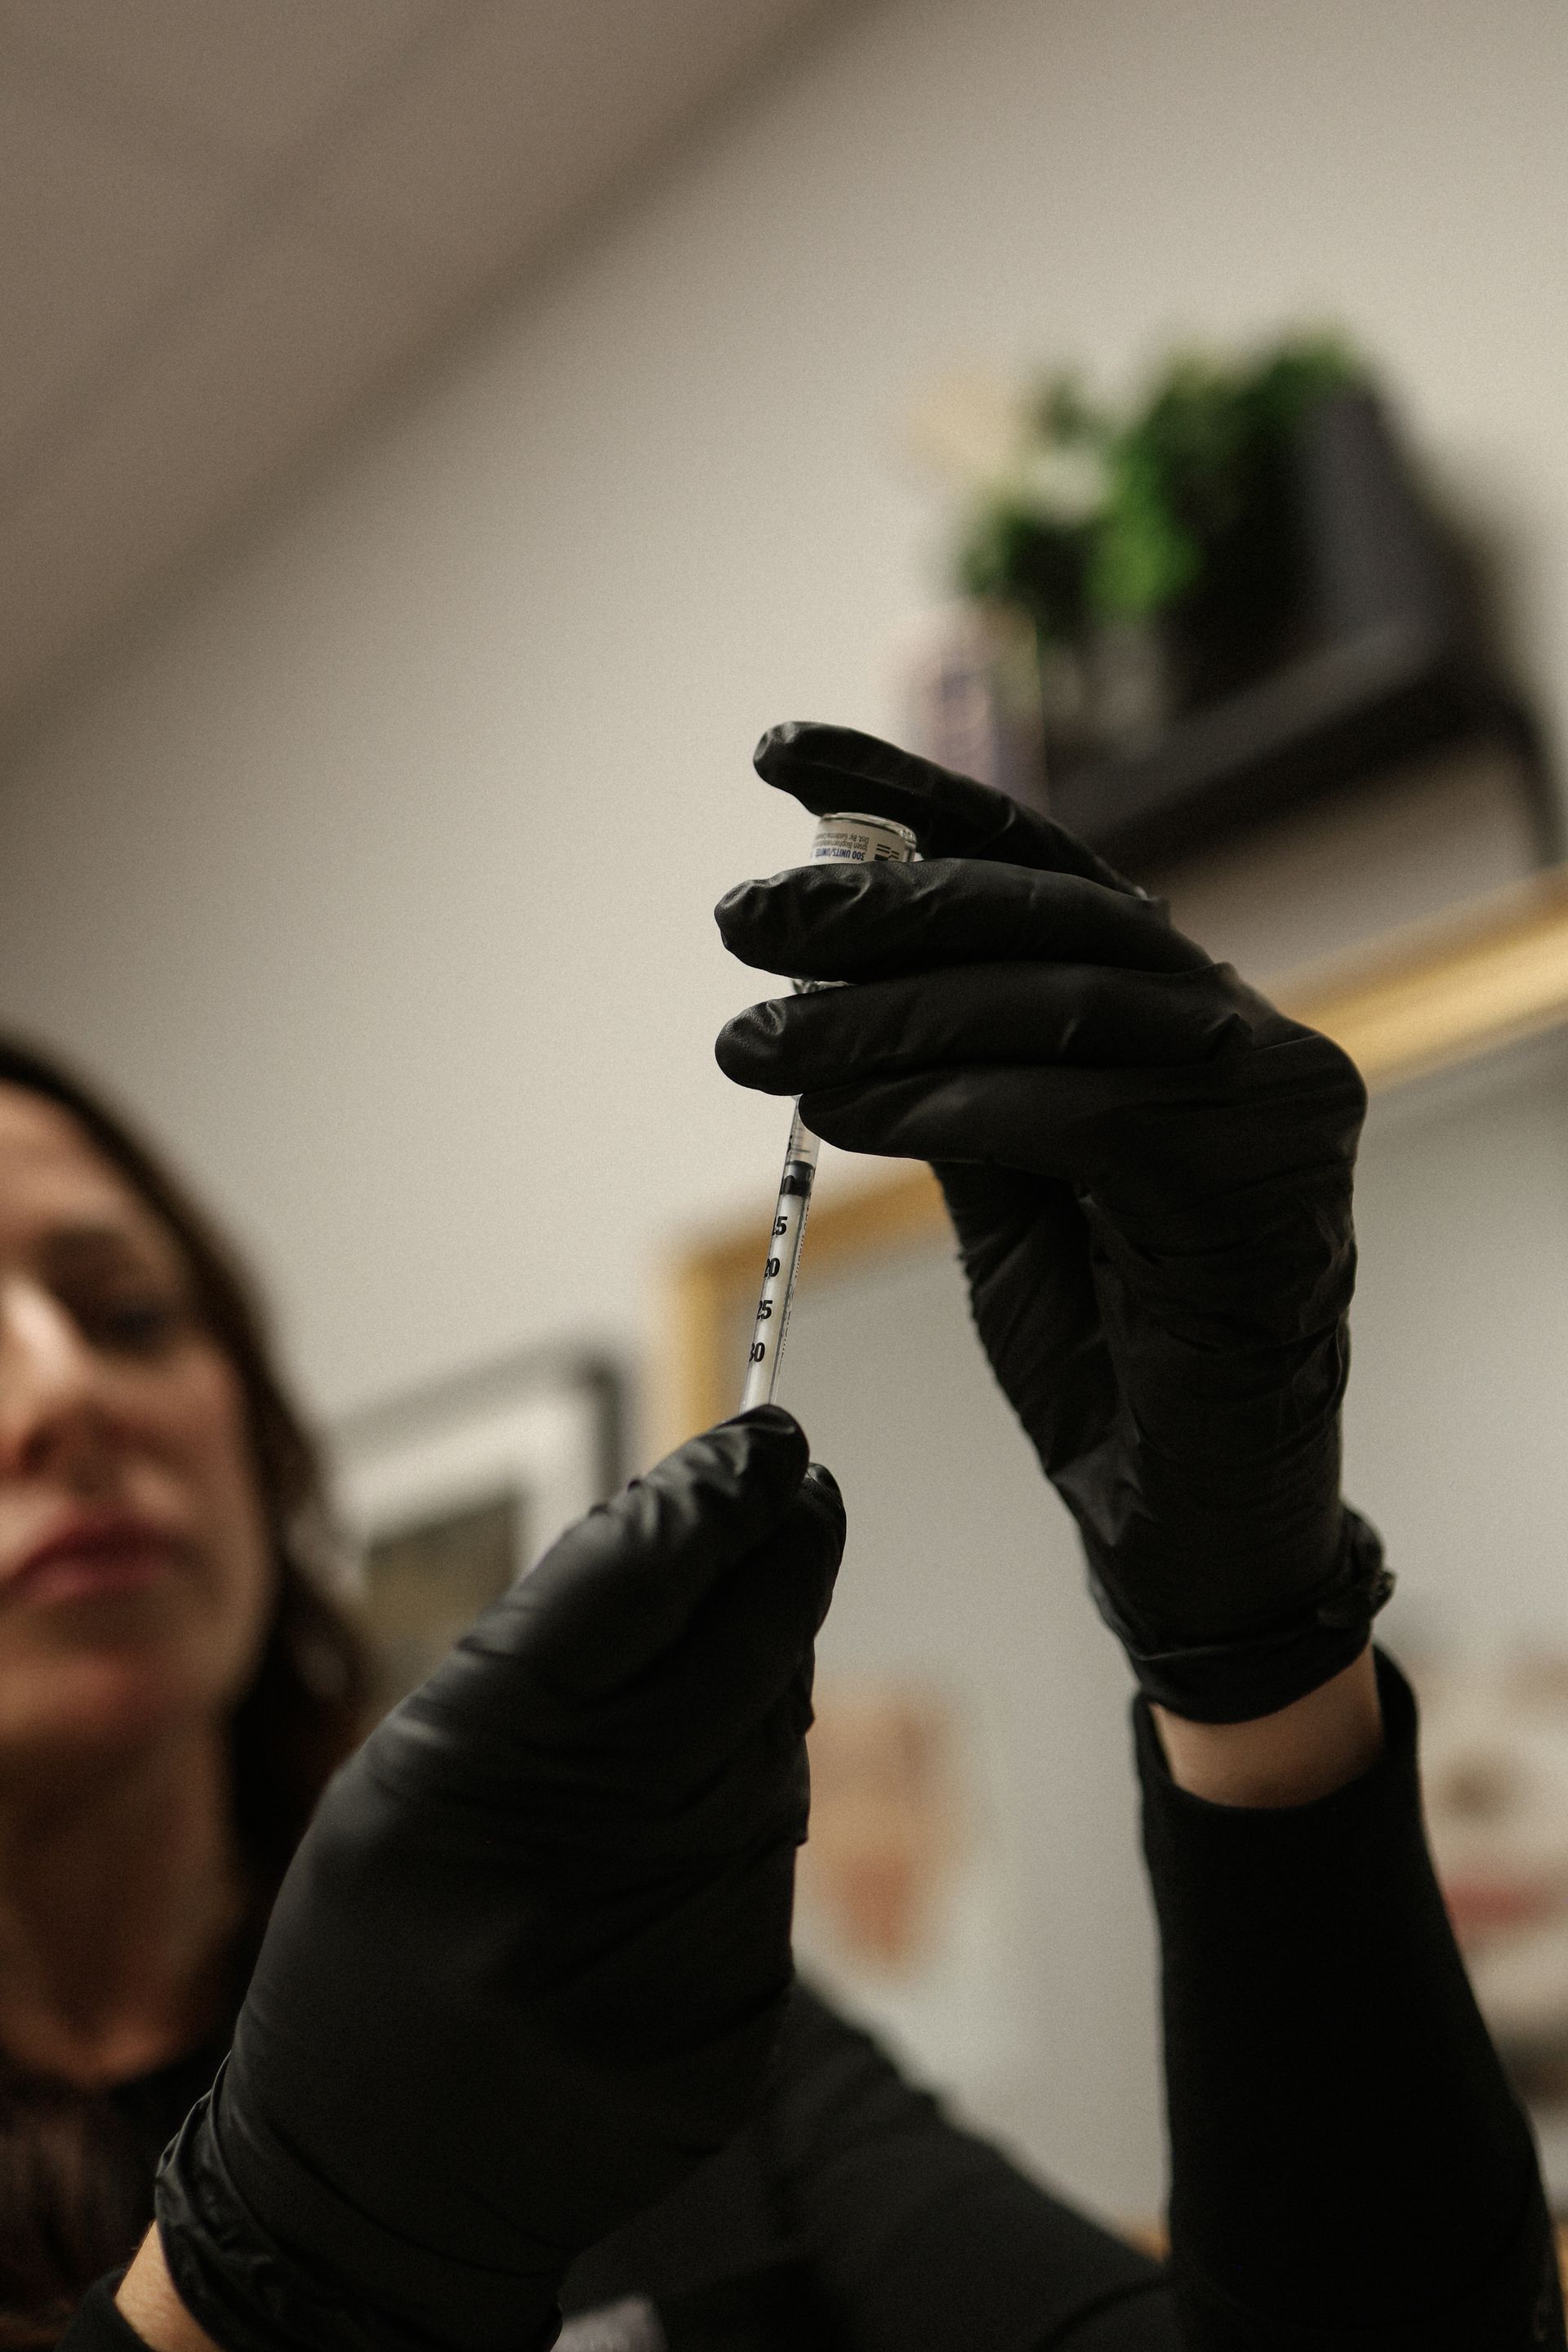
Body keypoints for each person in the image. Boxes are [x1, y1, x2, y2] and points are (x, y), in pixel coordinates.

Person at [0, 714, 1558, 2352]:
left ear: (252, 1431)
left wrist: (1256, 1649)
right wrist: (260, 2280)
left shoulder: (590, 2009)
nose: (62, 1396)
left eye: (126, 1313)